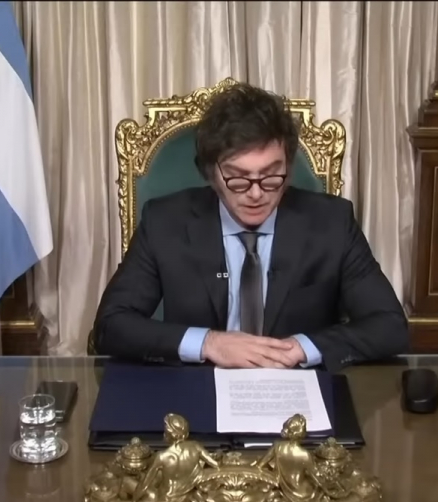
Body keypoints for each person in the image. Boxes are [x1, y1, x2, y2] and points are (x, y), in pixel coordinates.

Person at [92, 82, 409, 372]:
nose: (256, 193)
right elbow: (111, 326)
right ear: (210, 173)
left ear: (289, 166)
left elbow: (390, 326)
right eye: (238, 178)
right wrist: (208, 343)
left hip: (297, 391)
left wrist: (302, 348)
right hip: (197, 391)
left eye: (271, 175)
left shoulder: (332, 223)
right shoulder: (165, 222)